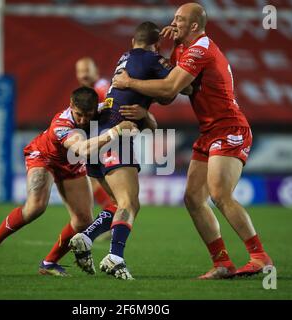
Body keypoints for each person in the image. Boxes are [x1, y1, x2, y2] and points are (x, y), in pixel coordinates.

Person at [112, 3, 273, 279]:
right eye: (173, 18)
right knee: (193, 198)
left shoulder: (200, 48)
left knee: (220, 193)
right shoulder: (181, 49)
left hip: (229, 127)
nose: (173, 23)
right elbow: (168, 95)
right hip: (209, 131)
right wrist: (162, 60)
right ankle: (222, 262)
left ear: (194, 26)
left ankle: (260, 257)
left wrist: (131, 83)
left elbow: (170, 87)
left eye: (179, 20)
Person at [0, 87, 136, 277]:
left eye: (88, 115)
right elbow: (82, 149)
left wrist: (142, 114)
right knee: (35, 207)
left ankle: (49, 263)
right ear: (71, 105)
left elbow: (120, 108)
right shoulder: (62, 124)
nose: (83, 120)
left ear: (94, 109)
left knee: (83, 220)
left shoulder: (100, 109)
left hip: (71, 164)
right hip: (44, 157)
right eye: (79, 115)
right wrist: (115, 132)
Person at [69, 21, 176, 280]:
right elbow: (178, 88)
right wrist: (178, 50)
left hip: (97, 133)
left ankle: (86, 237)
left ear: (132, 41)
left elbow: (160, 97)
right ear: (156, 45)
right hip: (117, 133)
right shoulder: (151, 59)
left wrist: (146, 114)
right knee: (129, 203)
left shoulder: (125, 59)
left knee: (119, 204)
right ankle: (115, 257)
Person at [75, 57, 114, 240]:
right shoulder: (89, 91)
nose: (83, 74)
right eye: (79, 71)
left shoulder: (102, 87)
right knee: (93, 181)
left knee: (99, 182)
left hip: (107, 140)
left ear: (95, 70)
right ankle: (109, 220)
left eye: (86, 70)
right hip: (97, 139)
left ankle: (111, 219)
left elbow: (107, 109)